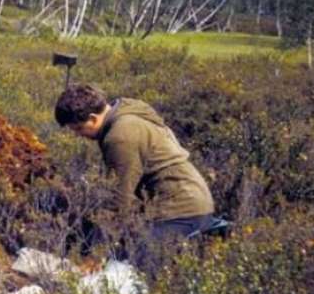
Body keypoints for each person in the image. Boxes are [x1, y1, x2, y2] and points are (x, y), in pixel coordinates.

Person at [54, 83, 217, 243]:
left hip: (180, 211)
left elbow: (120, 198)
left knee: (123, 263)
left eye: (79, 128)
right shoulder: (127, 113)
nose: (77, 135)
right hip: (192, 202)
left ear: (92, 118)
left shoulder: (121, 136)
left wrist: (98, 252)